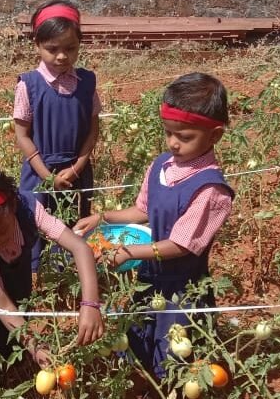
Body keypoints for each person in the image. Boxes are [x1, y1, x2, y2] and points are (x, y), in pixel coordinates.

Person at [73, 73, 235, 379]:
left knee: (175, 356)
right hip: (151, 278)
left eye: (185, 137)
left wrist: (128, 251)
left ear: (214, 135)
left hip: (183, 288)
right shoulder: (161, 165)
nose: (173, 143)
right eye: (168, 133)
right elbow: (141, 210)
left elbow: (181, 245)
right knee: (140, 339)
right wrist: (103, 217)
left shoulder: (211, 190)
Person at [0, 166, 105, 379]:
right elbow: (3, 305)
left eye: (1, 232)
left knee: (19, 296)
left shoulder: (29, 208)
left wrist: (90, 304)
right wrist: (36, 346)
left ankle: (13, 356)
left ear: (14, 205)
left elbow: (80, 247)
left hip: (15, 260)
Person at [13, 0, 101, 272]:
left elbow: (93, 128)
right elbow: (22, 135)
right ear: (37, 45)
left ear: (79, 44)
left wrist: (78, 167)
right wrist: (46, 175)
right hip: (39, 171)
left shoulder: (86, 82)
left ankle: (71, 276)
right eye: (52, 49)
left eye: (70, 48)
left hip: (76, 169)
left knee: (75, 221)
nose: (62, 56)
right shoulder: (29, 84)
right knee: (36, 223)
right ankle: (38, 280)